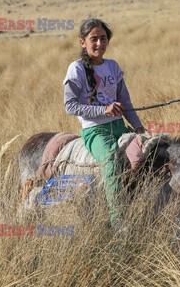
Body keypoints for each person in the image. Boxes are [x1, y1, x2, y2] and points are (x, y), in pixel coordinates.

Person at [63, 18, 144, 229]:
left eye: (103, 38)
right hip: (95, 131)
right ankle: (119, 222)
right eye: (93, 39)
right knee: (111, 159)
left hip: (119, 126)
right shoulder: (76, 69)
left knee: (152, 154)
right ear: (83, 42)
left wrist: (139, 128)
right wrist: (103, 110)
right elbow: (70, 105)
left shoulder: (113, 66)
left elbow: (126, 102)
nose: (99, 43)